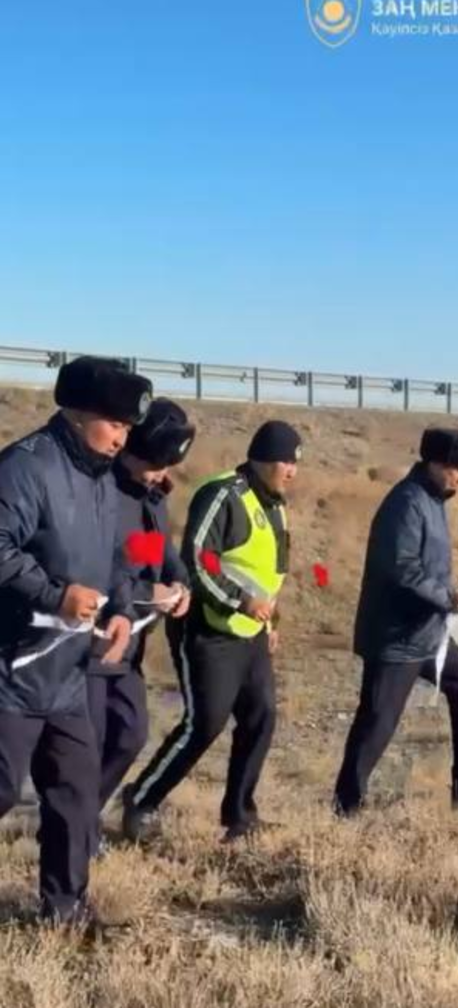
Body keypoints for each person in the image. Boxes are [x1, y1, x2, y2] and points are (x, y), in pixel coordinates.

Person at [0, 356, 149, 924]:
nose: (123, 438)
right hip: (12, 666)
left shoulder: (102, 480)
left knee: (75, 791)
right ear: (80, 413)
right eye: (116, 425)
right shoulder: (23, 468)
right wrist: (55, 594)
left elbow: (113, 556)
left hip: (67, 672)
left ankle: (65, 912)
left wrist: (118, 609)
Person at [125, 421, 300, 843]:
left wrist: (269, 622)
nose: (291, 470)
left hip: (250, 632)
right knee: (205, 724)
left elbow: (269, 574)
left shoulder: (275, 503)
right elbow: (199, 563)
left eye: (295, 462)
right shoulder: (222, 494)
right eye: (285, 461)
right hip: (207, 629)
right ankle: (141, 800)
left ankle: (240, 816)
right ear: (261, 459)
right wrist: (241, 600)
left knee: (261, 717)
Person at [334, 429, 458, 815]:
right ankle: (346, 807)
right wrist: (447, 597)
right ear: (434, 463)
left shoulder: (432, 498)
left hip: (427, 631)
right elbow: (403, 568)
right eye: (455, 467)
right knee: (378, 721)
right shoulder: (406, 503)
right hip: (396, 636)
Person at [88, 398, 194, 849]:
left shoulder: (150, 497)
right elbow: (96, 566)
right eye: (154, 463)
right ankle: (76, 829)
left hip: (130, 645)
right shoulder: (100, 492)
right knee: (86, 744)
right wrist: (142, 593)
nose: (159, 473)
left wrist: (180, 584)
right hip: (92, 642)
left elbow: (162, 555)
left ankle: (81, 813)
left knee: (130, 735)